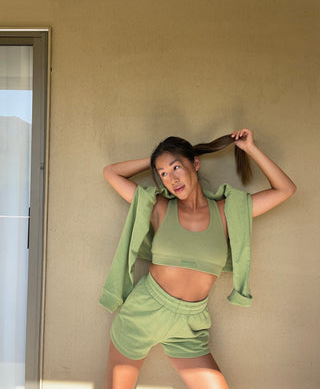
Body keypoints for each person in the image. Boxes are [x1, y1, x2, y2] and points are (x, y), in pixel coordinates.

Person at [100, 128, 296, 389]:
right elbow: (110, 172)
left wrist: (250, 149)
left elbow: (285, 189)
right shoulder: (158, 207)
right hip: (143, 312)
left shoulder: (227, 212)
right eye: (162, 174)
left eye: (176, 167)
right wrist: (152, 160)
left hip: (191, 323)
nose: (171, 179)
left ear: (195, 163)